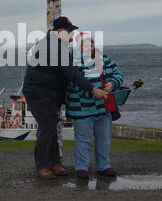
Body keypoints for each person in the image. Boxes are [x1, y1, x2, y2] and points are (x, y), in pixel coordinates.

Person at [23, 17, 108, 179]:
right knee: (47, 128)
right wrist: (92, 89)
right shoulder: (53, 47)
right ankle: (43, 166)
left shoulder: (54, 44)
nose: (71, 35)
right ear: (61, 31)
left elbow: (67, 73)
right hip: (40, 94)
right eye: (69, 31)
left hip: (47, 94)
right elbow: (70, 73)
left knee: (50, 128)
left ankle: (54, 163)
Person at [66, 34, 123, 179]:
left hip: (104, 107)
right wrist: (94, 93)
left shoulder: (104, 59)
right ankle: (81, 168)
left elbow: (117, 73)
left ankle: (104, 166)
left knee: (104, 139)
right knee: (83, 139)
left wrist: (113, 83)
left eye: (90, 45)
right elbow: (75, 83)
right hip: (82, 108)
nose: (89, 47)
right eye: (84, 45)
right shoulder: (73, 63)